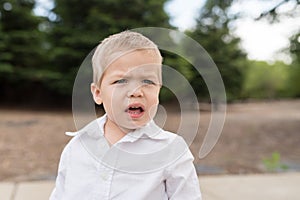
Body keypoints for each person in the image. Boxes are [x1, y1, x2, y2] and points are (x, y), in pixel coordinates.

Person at [50, 31, 202, 200]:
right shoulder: (77, 147)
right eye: (121, 81)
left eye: (148, 81)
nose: (136, 92)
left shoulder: (172, 151)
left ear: (159, 89)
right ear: (98, 93)